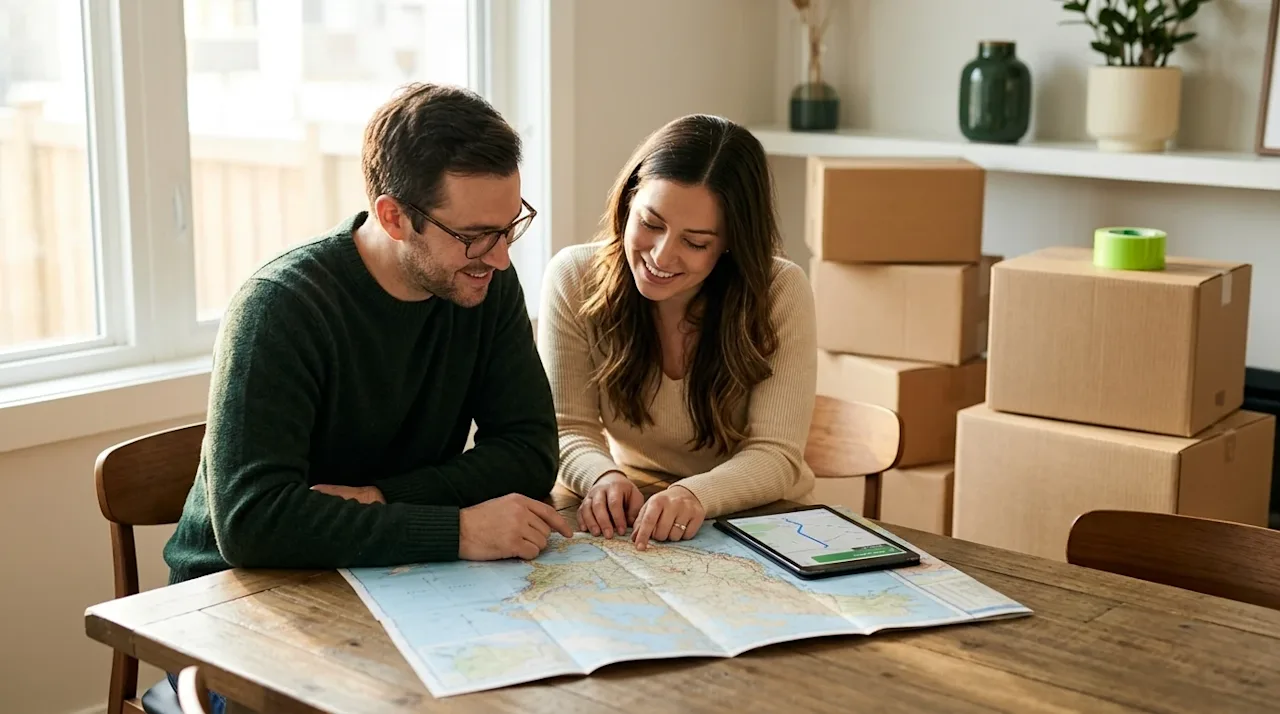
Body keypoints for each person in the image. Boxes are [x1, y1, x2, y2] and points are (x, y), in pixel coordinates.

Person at [163, 81, 571, 590]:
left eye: (509, 227)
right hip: (236, 596)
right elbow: (253, 521)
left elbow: (529, 453)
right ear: (393, 217)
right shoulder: (280, 307)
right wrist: (458, 530)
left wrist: (383, 496)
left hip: (387, 576)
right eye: (474, 236)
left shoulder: (485, 281)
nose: (500, 256)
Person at [537, 113, 817, 550]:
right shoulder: (573, 276)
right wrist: (602, 476)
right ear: (628, 201)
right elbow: (565, 427)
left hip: (757, 519)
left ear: (730, 244)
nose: (662, 256)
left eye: (696, 242)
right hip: (637, 512)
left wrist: (694, 494)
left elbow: (776, 455)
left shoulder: (780, 290)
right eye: (650, 223)